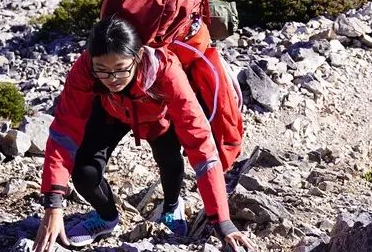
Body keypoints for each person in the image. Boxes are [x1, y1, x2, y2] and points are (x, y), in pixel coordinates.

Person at [33, 15, 255, 252]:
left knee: (169, 161)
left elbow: (200, 144)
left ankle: (171, 206)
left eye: (120, 69)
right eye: (102, 70)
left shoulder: (166, 70)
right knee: (85, 171)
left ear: (138, 56)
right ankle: (106, 218)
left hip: (158, 112)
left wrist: (222, 222)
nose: (112, 79)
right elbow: (63, 131)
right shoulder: (85, 69)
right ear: (91, 61)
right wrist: (53, 205)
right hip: (112, 110)